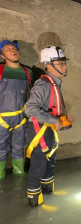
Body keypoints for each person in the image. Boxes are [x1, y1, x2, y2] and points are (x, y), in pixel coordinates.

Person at [25, 46, 72, 207]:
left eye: (64, 63)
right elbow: (30, 109)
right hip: (39, 131)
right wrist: (53, 120)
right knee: (38, 164)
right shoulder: (43, 84)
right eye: (60, 63)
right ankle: (34, 202)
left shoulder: (55, 83)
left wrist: (62, 118)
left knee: (50, 160)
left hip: (48, 129)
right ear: (49, 65)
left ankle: (47, 190)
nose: (65, 67)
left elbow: (51, 106)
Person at [0, 40, 33, 180]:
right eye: (8, 49)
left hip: (21, 118)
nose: (13, 50)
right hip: (1, 119)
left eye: (15, 48)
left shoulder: (28, 71)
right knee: (0, 147)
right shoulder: (1, 70)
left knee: (19, 147)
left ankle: (19, 178)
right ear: (2, 55)